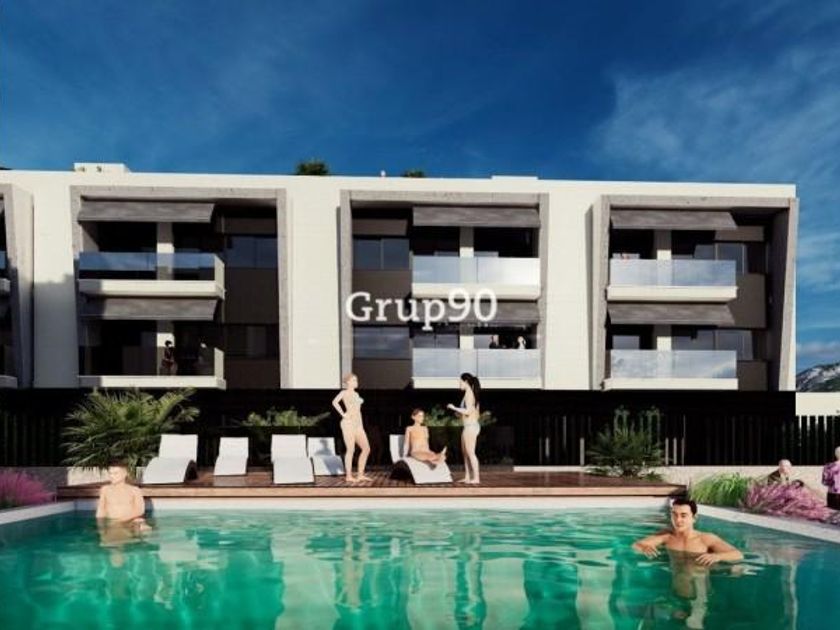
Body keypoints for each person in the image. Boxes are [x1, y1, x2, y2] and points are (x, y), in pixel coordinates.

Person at [632, 498, 743, 566]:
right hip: (674, 588)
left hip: (699, 590)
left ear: (694, 518)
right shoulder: (667, 536)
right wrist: (643, 547)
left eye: (683, 515)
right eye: (674, 515)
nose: (678, 520)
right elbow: (637, 544)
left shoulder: (706, 539)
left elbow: (737, 554)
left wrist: (717, 556)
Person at [332, 373, 372, 483]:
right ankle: (348, 476)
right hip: (348, 423)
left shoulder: (356, 394)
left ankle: (360, 475)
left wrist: (361, 426)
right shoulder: (344, 392)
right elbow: (334, 402)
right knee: (351, 450)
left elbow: (358, 411)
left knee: (366, 448)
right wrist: (343, 414)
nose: (356, 382)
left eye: (356, 380)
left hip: (358, 425)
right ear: (348, 382)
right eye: (354, 380)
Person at [447, 372, 482, 484]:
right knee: (465, 453)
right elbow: (475, 413)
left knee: (470, 452)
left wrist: (454, 408)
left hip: (470, 427)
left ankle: (476, 478)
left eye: (460, 382)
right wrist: (459, 413)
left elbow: (468, 411)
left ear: (465, 382)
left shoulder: (469, 394)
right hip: (469, 426)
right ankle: (467, 477)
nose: (459, 384)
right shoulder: (469, 394)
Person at [96, 462, 150, 529]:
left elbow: (140, 510)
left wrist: (121, 520)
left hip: (131, 520)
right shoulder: (105, 489)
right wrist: (100, 525)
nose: (112, 476)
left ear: (124, 474)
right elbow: (101, 510)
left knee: (143, 527)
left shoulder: (134, 490)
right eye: (110, 473)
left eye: (115, 473)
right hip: (112, 521)